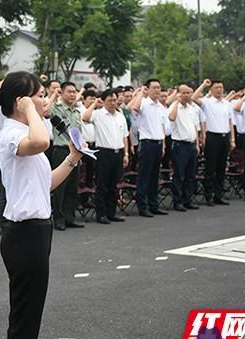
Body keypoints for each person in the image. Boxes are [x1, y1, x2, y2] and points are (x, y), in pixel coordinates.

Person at [0, 71, 83, 339]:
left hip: (38, 230)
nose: (46, 100)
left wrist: (71, 159)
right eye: (40, 94)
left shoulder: (25, 131)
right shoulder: (10, 134)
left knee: (29, 320)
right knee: (24, 322)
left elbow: (44, 186)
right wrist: (31, 110)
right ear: (20, 101)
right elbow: (42, 141)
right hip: (24, 235)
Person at [82, 89, 129, 223]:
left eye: (114, 100)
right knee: (102, 185)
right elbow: (85, 118)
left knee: (114, 185)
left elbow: (124, 136)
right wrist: (94, 104)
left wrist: (125, 154)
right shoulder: (98, 114)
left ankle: (111, 212)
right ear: (103, 101)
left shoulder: (120, 115)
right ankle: (101, 214)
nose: (113, 103)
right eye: (109, 100)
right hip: (103, 153)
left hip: (118, 152)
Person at [128, 79, 168, 217]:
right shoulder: (144, 103)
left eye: (159, 87)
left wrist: (163, 145)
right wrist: (141, 93)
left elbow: (161, 127)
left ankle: (154, 204)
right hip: (147, 143)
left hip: (158, 143)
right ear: (148, 89)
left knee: (154, 176)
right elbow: (134, 108)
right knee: (144, 176)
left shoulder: (161, 107)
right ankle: (142, 206)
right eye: (154, 87)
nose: (157, 90)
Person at [192, 79, 235, 206]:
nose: (219, 90)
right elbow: (194, 98)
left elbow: (230, 122)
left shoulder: (227, 104)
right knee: (210, 168)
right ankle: (208, 195)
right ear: (211, 90)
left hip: (224, 137)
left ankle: (219, 195)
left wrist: (232, 139)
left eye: (221, 87)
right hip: (212, 137)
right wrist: (204, 85)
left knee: (222, 168)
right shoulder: (207, 102)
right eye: (216, 87)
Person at [50, 81, 86, 230]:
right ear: (62, 93)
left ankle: (69, 217)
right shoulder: (56, 109)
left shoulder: (77, 112)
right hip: (61, 150)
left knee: (72, 186)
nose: (72, 94)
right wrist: (53, 95)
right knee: (60, 187)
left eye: (74, 92)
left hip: (76, 152)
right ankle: (58, 218)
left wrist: (81, 153)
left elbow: (79, 133)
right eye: (69, 92)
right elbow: (46, 112)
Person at [168, 85, 200, 211]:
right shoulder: (175, 106)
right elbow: (171, 117)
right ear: (179, 94)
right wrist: (176, 101)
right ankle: (178, 201)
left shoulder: (192, 108)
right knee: (179, 175)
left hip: (191, 144)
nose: (187, 95)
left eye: (189, 93)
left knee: (190, 175)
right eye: (184, 93)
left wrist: (197, 144)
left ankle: (187, 199)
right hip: (180, 145)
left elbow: (195, 127)